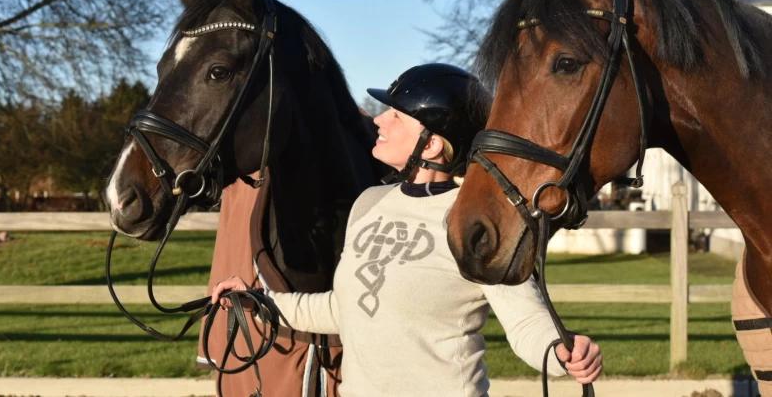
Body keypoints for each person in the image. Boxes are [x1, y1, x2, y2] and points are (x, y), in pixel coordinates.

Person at [212, 63, 602, 396]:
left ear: (432, 144)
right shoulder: (369, 203)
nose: (379, 120)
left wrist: (561, 351)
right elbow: (343, 308)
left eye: (396, 115)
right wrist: (258, 302)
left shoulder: (476, 221)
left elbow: (525, 320)